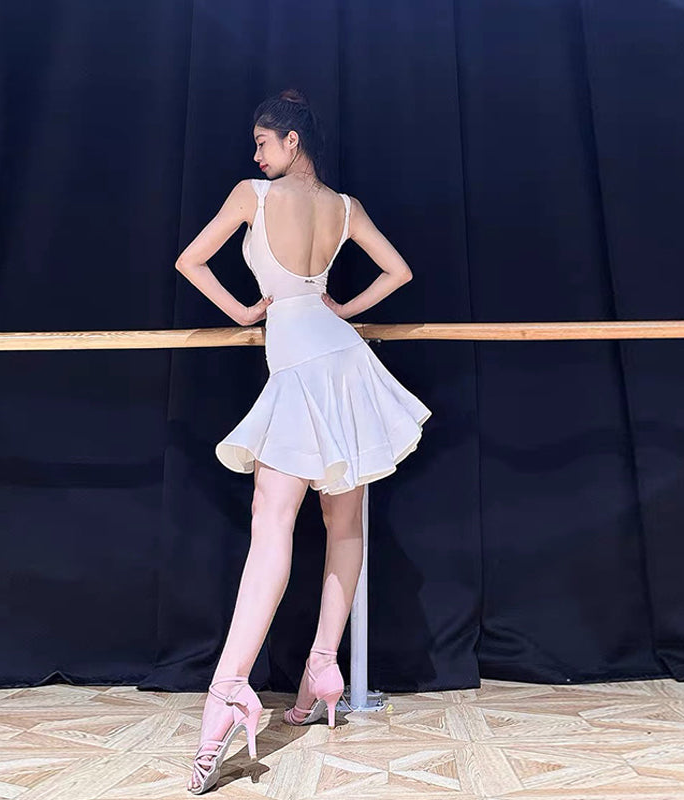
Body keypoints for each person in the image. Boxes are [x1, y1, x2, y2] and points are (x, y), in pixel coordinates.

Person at [175, 88, 432, 794]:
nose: (256, 154)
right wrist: (343, 307)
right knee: (342, 524)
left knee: (272, 524)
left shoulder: (252, 195)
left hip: (301, 361)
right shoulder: (344, 207)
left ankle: (228, 692)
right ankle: (322, 664)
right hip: (342, 357)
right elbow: (400, 271)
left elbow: (190, 261)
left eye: (263, 141)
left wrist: (243, 311)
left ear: (292, 141)